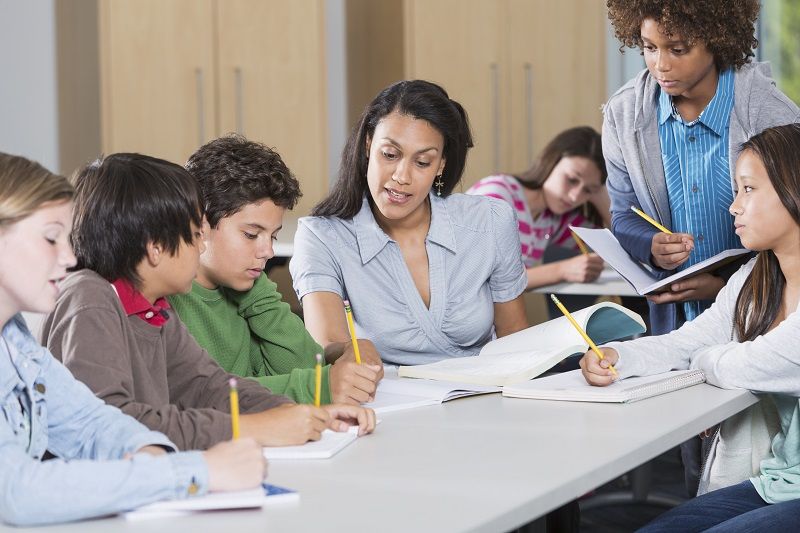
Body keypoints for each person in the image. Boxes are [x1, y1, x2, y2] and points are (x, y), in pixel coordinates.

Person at [41, 153, 375, 452]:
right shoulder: (90, 299)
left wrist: (300, 413)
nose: (202, 247)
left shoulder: (154, 309)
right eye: (193, 234)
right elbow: (109, 425)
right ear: (155, 247)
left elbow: (209, 386)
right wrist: (250, 428)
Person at [0, 152, 266, 527]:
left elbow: (91, 421)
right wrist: (194, 472)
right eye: (50, 238)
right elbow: (18, 492)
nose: (69, 255)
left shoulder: (15, 343)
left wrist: (147, 451)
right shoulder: (89, 298)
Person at [603, 0, 800, 494]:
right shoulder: (625, 114)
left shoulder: (770, 113)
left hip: (760, 291)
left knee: (760, 433)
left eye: (678, 49)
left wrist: (719, 286)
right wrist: (650, 244)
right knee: (707, 463)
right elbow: (623, 214)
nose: (661, 64)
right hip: (710, 307)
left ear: (718, 38)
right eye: (648, 48)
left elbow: (788, 212)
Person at [581, 124, 800, 531]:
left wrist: (705, 359)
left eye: (748, 190)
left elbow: (745, 365)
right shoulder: (758, 276)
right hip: (780, 483)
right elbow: (692, 341)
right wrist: (618, 356)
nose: (734, 207)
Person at [289, 80, 529, 366]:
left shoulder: (489, 221)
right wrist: (348, 351)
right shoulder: (322, 236)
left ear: (440, 164)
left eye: (423, 162)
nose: (402, 176)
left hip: (481, 396)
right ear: (368, 144)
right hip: (385, 401)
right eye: (390, 155)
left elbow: (514, 335)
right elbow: (327, 342)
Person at [168, 134, 382, 405]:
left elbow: (305, 365)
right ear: (200, 224)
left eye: (272, 236)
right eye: (250, 234)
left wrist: (256, 292)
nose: (268, 251)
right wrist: (320, 386)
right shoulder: (167, 298)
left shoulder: (244, 289)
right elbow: (198, 396)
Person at [467, 126, 610, 289]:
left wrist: (600, 193)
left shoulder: (553, 218)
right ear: (551, 162)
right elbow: (483, 280)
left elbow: (614, 251)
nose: (575, 197)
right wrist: (562, 270)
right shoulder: (496, 196)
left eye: (587, 190)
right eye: (571, 179)